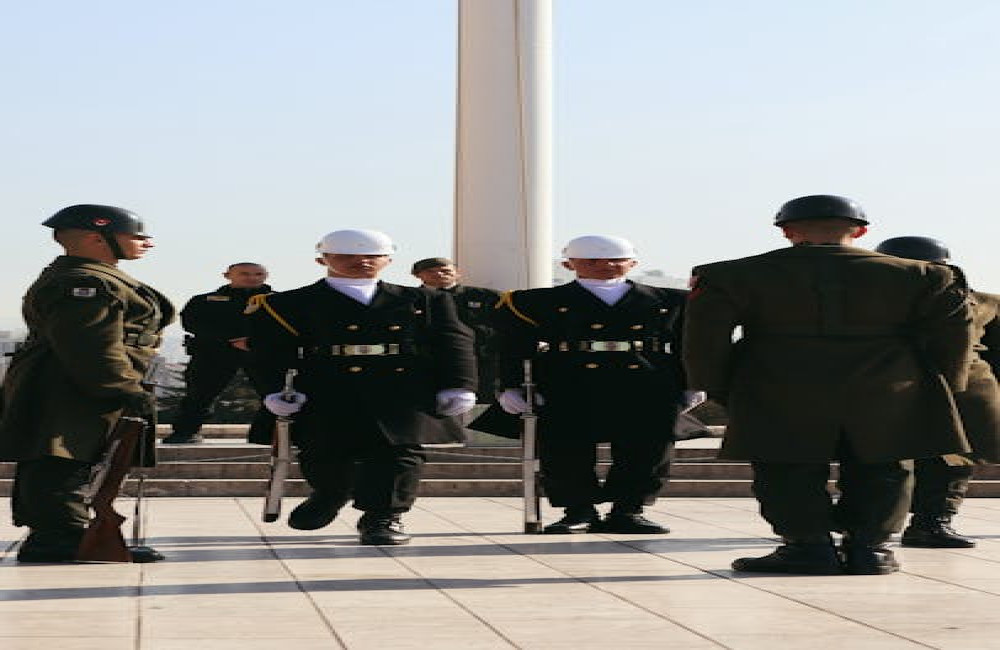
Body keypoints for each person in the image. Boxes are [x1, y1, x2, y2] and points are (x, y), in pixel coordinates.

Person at [682, 195, 974, 575]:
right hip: (887, 386)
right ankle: (870, 549)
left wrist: (718, 388)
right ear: (862, 230)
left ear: (787, 231)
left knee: (787, 467)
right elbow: (954, 341)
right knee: (884, 467)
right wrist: (940, 389)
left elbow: (705, 341)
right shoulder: (927, 275)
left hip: (777, 384)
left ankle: (807, 547)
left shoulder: (729, 275)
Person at [246, 229, 476, 545]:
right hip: (328, 384)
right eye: (347, 256)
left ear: (388, 259)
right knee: (325, 452)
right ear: (322, 259)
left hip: (402, 387)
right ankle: (330, 493)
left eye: (372, 256)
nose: (362, 262)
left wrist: (459, 385)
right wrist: (273, 390)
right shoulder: (289, 303)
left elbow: (454, 342)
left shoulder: (424, 300)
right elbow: (268, 350)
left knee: (400, 454)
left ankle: (383, 517)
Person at [471, 235, 703, 534]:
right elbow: (513, 347)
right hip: (569, 378)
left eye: (616, 260)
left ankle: (628, 509)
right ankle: (578, 509)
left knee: (647, 448)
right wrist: (510, 386)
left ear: (633, 263)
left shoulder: (671, 299)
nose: (606, 266)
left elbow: (690, 344)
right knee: (566, 448)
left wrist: (694, 382)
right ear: (569, 264)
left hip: (646, 380)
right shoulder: (535, 301)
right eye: (592, 260)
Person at [0, 204, 175, 562]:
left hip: (81, 380)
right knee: (64, 457)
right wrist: (124, 387)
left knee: (84, 457)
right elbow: (91, 346)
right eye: (136, 236)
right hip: (72, 383)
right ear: (98, 238)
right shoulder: (84, 281)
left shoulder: (95, 275)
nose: (146, 243)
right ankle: (58, 537)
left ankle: (63, 533)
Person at [874, 236, 1000, 548]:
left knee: (953, 461)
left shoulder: (983, 302)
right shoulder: (868, 303)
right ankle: (869, 530)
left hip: (961, 394)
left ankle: (932, 523)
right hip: (891, 392)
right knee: (885, 466)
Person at [161, 262, 273, 444]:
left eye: (258, 274)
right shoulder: (204, 300)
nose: (252, 278)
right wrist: (230, 339)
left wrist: (253, 341)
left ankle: (270, 434)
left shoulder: (281, 301)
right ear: (227, 275)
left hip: (262, 353)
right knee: (199, 395)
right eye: (245, 274)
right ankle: (186, 432)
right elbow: (192, 323)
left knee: (274, 395)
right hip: (214, 354)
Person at [411, 257, 501, 403]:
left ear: (457, 273)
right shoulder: (407, 298)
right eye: (430, 271)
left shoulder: (487, 297)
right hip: (428, 363)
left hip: (482, 364)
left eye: (445, 270)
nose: (439, 274)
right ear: (417, 275)